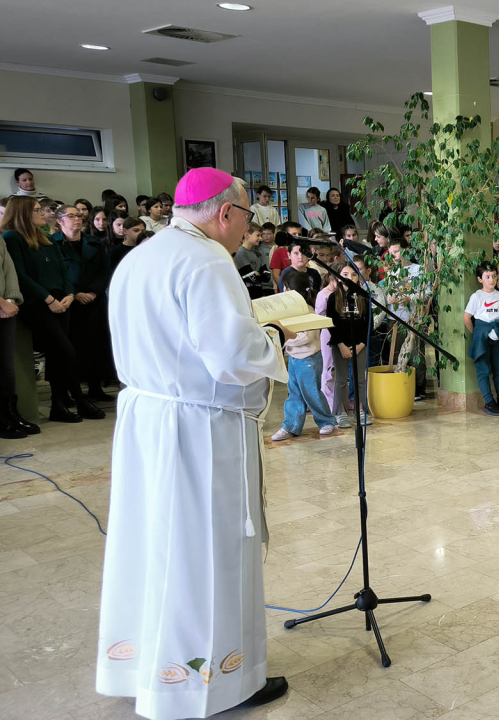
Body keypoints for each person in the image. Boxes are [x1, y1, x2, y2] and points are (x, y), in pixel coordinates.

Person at [98, 168, 292, 718]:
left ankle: (149, 667)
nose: (247, 229)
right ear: (225, 213)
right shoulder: (208, 260)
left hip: (148, 421)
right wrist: (277, 337)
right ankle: (218, 682)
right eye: (247, 216)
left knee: (157, 544)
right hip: (198, 431)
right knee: (207, 551)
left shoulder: (141, 257)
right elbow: (230, 358)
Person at [1, 196, 105, 422]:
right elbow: (20, 274)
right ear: (22, 213)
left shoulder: (45, 236)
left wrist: (69, 294)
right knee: (66, 351)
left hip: (61, 300)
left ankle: (58, 405)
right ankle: (80, 399)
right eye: (37, 210)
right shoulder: (11, 237)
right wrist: (48, 299)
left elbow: (62, 270)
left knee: (59, 355)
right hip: (38, 303)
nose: (43, 213)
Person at [52, 205, 113, 402]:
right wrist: (76, 293)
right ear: (60, 221)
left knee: (97, 345)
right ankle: (72, 390)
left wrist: (94, 292)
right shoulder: (52, 244)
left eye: (78, 216)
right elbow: (58, 274)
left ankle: (96, 387)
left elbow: (105, 270)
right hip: (69, 301)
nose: (77, 219)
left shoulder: (96, 242)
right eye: (71, 216)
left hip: (95, 301)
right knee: (72, 346)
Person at [271, 271, 339, 441]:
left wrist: (285, 339)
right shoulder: (289, 311)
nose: (283, 290)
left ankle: (326, 421)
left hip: (309, 359)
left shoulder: (307, 310)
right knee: (293, 393)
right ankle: (291, 426)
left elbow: (306, 337)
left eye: (286, 287)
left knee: (312, 393)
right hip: (294, 358)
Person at [325, 264, 373, 426]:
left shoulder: (364, 296)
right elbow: (331, 324)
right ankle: (341, 413)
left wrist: (361, 344)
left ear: (358, 277)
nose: (349, 277)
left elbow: (369, 324)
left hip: (359, 344)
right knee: (341, 380)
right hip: (340, 345)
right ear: (338, 277)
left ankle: (360, 410)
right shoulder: (333, 298)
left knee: (359, 379)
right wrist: (341, 345)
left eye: (354, 274)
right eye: (345, 274)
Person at [464, 261, 499, 416]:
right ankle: (489, 402)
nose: (491, 280)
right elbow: (467, 318)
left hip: (498, 338)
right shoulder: (476, 296)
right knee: (483, 370)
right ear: (480, 279)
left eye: (493, 276)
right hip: (482, 339)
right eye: (487, 277)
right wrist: (476, 333)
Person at [0, 238, 35, 438]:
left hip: (7, 307)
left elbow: (9, 269)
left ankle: (10, 414)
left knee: (6, 366)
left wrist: (11, 299)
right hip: (2, 306)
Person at [235, 223, 272, 299]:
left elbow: (267, 276)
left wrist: (258, 274)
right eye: (258, 235)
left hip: (259, 294)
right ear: (247, 235)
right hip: (246, 296)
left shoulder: (258, 254)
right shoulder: (240, 253)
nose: (261, 239)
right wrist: (258, 274)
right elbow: (252, 278)